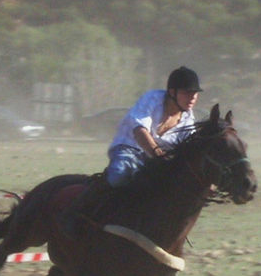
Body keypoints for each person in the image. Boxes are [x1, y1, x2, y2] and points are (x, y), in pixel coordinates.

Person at [61, 66, 202, 238]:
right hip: (130, 147)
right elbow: (140, 132)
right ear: (172, 92)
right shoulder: (152, 99)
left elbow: (189, 150)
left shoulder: (188, 118)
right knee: (119, 176)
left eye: (195, 93)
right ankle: (77, 212)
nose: (193, 97)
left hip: (157, 159)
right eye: (188, 92)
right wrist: (160, 156)